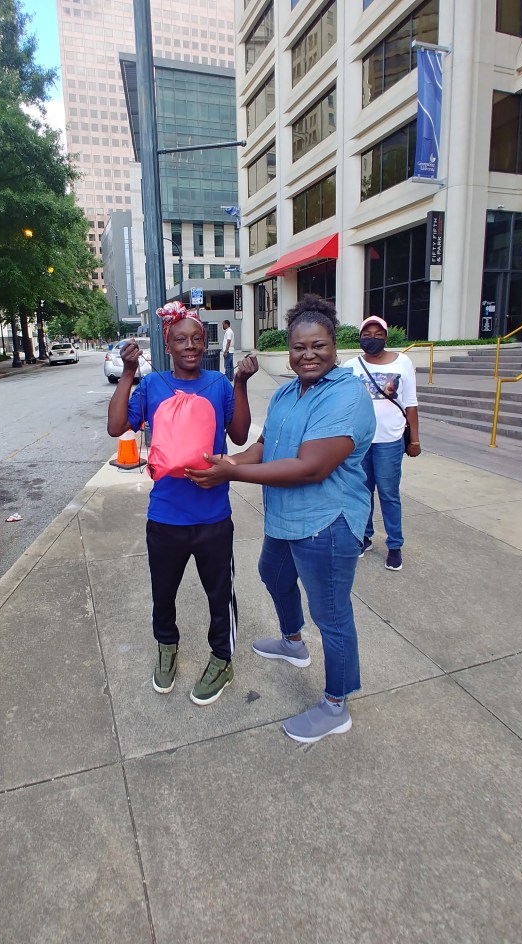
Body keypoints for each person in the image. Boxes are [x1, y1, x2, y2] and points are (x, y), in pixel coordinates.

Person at [186, 295, 375, 744]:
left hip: (327, 523)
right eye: (299, 347)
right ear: (288, 350)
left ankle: (336, 705)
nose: (308, 355)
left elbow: (311, 467)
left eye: (318, 345)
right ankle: (292, 643)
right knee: (272, 573)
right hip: (286, 518)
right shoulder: (289, 392)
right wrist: (229, 461)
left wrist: (232, 474)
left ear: (335, 345)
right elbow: (264, 447)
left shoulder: (347, 396)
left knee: (331, 614)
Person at [107, 301, 258, 706]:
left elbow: (239, 435)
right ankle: (167, 647)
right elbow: (116, 426)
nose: (190, 346)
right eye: (180, 340)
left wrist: (240, 384)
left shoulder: (219, 384)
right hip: (166, 515)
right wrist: (128, 373)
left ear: (205, 343)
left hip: (213, 516)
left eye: (196, 339)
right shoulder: (153, 385)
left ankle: (222, 659)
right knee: (163, 593)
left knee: (219, 595)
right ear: (168, 346)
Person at [344, 316, 421, 572]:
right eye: (367, 334)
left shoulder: (403, 362)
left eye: (378, 334)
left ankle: (395, 545)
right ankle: (364, 537)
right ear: (360, 337)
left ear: (386, 337)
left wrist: (414, 439)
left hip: (390, 440)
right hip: (360, 442)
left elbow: (411, 403)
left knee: (389, 494)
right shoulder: (351, 366)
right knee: (362, 493)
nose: (372, 338)